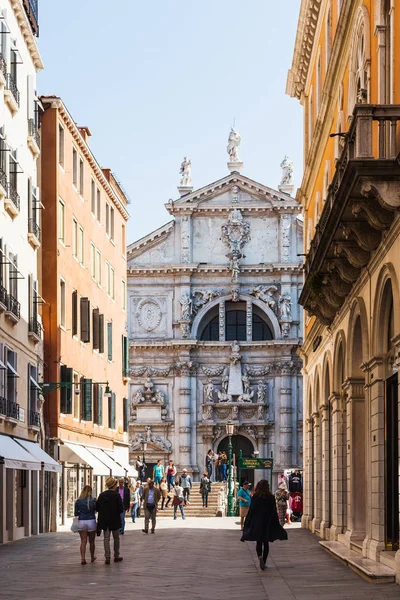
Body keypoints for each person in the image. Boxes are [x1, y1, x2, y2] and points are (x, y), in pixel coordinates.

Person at [241, 479, 287, 571]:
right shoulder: (270, 497)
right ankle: (264, 562)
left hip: (258, 522)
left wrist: (247, 523)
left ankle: (260, 556)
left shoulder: (255, 497)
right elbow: (274, 511)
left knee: (259, 541)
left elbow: (251, 511)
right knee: (266, 542)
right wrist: (276, 523)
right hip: (267, 522)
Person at [96, 476, 124, 565]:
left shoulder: (102, 495)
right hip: (114, 520)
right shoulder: (116, 496)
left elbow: (97, 508)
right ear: (114, 485)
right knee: (116, 538)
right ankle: (116, 555)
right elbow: (121, 509)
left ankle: (107, 557)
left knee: (106, 539)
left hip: (105, 520)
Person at [74, 485, 97, 565]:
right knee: (92, 541)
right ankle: (92, 557)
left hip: (82, 521)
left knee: (83, 541)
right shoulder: (94, 500)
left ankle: (83, 558)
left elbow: (76, 513)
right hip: (91, 521)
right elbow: (96, 510)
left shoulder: (78, 501)